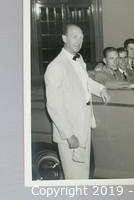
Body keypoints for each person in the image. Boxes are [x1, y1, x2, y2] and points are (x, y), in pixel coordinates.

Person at [44, 24, 110, 179]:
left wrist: (101, 89)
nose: (79, 41)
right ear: (64, 38)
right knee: (74, 177)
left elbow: (84, 81)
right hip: (70, 131)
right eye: (74, 37)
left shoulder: (79, 58)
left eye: (81, 37)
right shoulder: (56, 66)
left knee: (83, 174)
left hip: (83, 125)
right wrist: (69, 134)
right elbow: (54, 106)